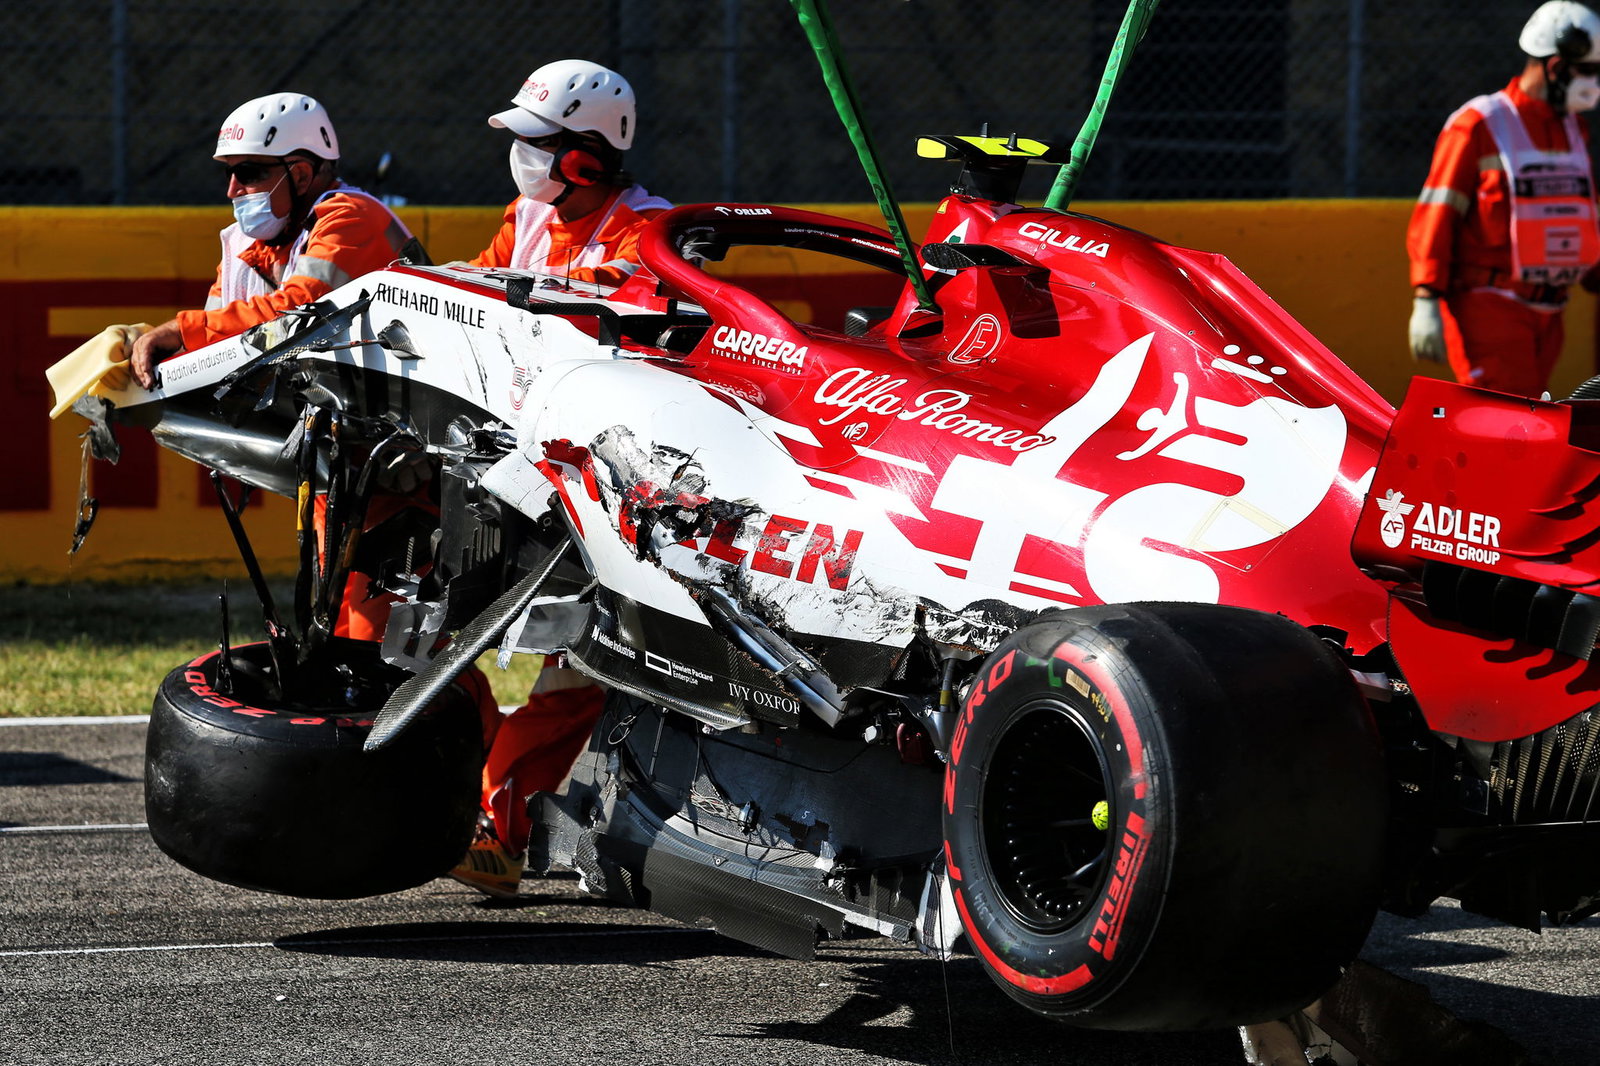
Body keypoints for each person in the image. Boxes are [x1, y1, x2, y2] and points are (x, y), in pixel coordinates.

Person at [448, 60, 670, 899]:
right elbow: (474, 291)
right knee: (430, 625)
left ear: (588, 154)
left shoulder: (655, 232)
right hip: (518, 461)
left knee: (586, 656)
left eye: (539, 144)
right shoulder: (525, 219)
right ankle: (474, 802)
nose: (523, 159)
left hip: (618, 480)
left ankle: (493, 827)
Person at [130, 92, 415, 389]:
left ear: (302, 176)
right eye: (229, 172)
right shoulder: (246, 243)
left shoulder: (352, 216)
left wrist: (181, 330)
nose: (232, 189)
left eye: (248, 173)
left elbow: (299, 314)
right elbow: (212, 334)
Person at [1407, 1, 1600, 398]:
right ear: (1554, 66)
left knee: (1527, 420)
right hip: (1490, 306)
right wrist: (1426, 295)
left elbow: (1582, 213)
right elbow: (1438, 211)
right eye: (1588, 71)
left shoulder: (1574, 129)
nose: (1594, 83)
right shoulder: (1480, 124)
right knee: (1509, 421)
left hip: (1549, 312)